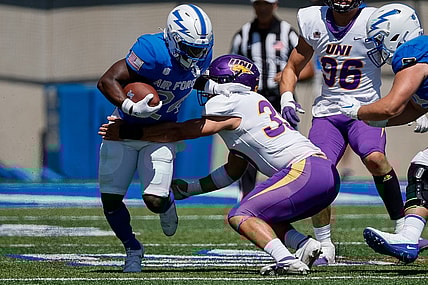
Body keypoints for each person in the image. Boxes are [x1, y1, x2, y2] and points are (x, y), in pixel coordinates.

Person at [99, 54, 341, 275]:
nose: (208, 88)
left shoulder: (233, 103)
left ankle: (287, 260)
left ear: (228, 84)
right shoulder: (251, 106)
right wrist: (191, 188)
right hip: (323, 175)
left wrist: (128, 131)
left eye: (215, 81)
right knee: (260, 214)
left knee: (240, 214)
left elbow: (179, 130)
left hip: (305, 171)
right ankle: (303, 244)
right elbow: (233, 170)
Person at [96, 4, 249, 273]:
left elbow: (193, 75)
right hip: (124, 127)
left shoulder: (199, 53)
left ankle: (167, 203)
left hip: (161, 131)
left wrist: (212, 85)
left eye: (201, 49)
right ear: (173, 39)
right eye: (191, 48)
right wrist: (130, 106)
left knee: (154, 200)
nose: (198, 54)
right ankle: (133, 248)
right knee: (110, 200)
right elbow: (107, 80)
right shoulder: (151, 50)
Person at [278, 0, 406, 265]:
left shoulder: (375, 21)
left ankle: (403, 228)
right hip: (328, 112)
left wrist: (419, 102)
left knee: (375, 159)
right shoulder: (313, 19)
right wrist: (287, 97)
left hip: (365, 109)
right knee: (319, 174)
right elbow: (292, 66)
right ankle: (324, 244)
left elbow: (408, 62)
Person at [337, 3, 427, 263]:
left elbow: (393, 105)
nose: (377, 46)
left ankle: (409, 238)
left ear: (395, 33)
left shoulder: (413, 51)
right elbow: (411, 109)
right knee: (424, 168)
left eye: (379, 39)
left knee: (424, 170)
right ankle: (409, 237)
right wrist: (381, 123)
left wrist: (359, 111)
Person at [230, 0, 315, 199]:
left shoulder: (288, 33)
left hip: (281, 100)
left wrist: (285, 75)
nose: (262, 8)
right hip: (252, 102)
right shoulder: (243, 35)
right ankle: (246, 200)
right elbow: (231, 68)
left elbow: (309, 70)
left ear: (275, 5)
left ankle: (289, 199)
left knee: (289, 152)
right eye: (258, 4)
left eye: (266, 4)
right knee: (248, 151)